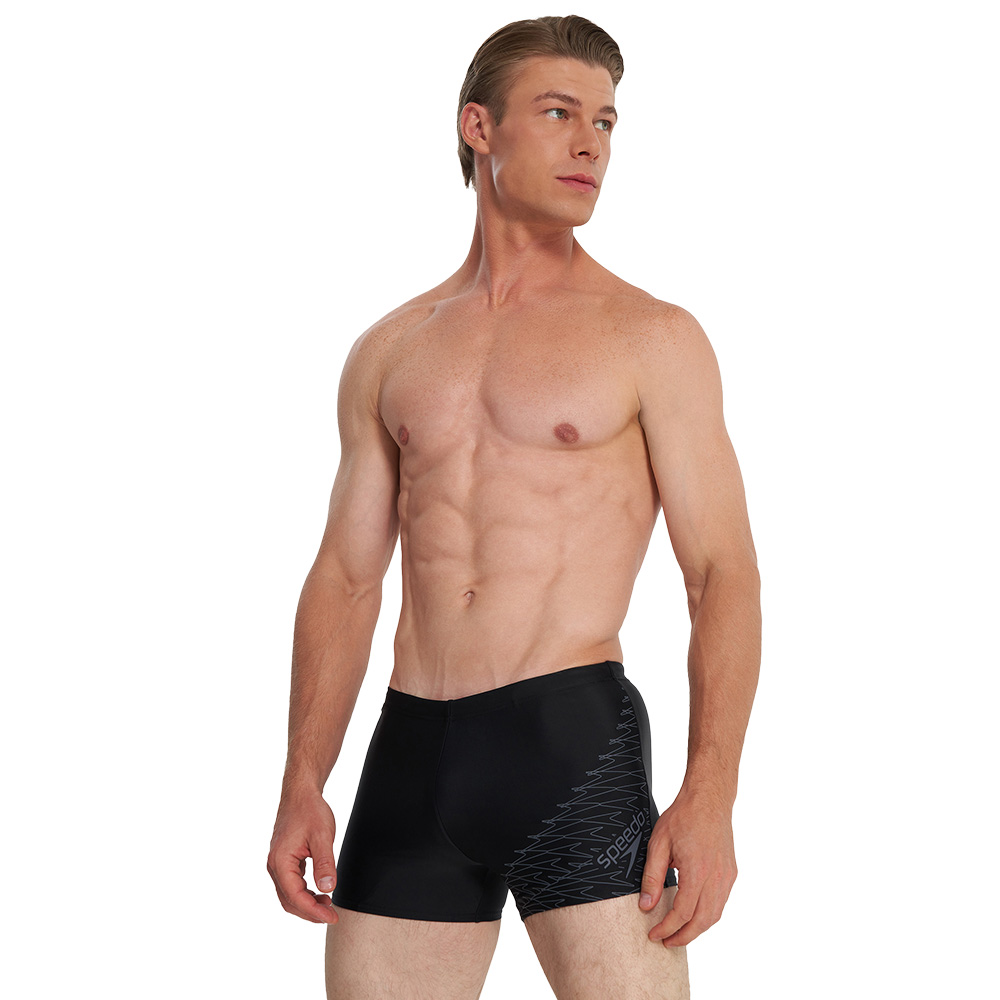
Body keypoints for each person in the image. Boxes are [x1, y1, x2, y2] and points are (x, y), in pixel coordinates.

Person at [267, 14, 761, 1000]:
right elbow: (348, 576)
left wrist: (711, 794)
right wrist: (301, 778)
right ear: (479, 127)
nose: (592, 145)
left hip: (568, 746)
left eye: (607, 122)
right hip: (409, 757)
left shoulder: (651, 337)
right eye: (560, 113)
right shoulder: (392, 347)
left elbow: (722, 574)